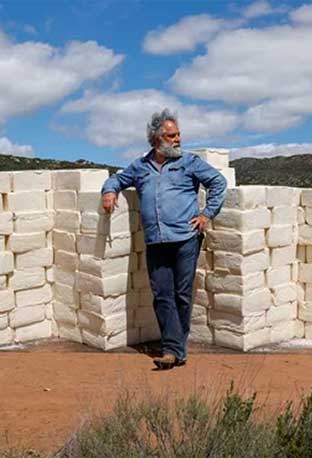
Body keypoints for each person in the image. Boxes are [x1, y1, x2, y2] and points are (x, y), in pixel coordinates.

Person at [100, 109, 227, 370]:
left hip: (185, 239)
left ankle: (172, 350)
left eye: (178, 134)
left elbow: (218, 183)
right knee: (161, 295)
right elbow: (117, 179)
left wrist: (206, 214)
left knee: (181, 295)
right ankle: (175, 350)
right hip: (156, 240)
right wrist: (109, 192)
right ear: (156, 139)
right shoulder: (140, 166)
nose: (178, 139)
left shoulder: (189, 162)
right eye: (171, 136)